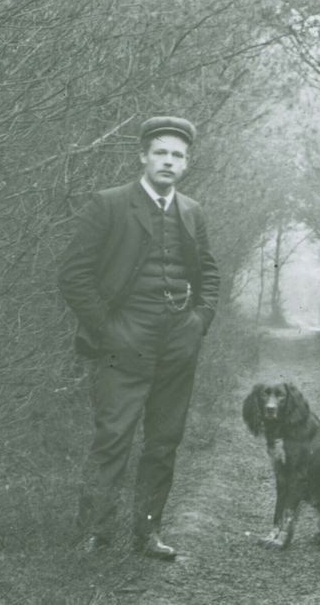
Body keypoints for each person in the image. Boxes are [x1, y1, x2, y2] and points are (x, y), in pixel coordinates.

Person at [57, 116, 220, 560]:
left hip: (177, 342)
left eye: (178, 155)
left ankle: (147, 534)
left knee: (164, 440)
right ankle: (94, 534)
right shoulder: (108, 204)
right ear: (143, 156)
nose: (169, 161)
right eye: (161, 152)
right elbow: (73, 275)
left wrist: (199, 321)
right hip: (122, 340)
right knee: (112, 438)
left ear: (186, 164)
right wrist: (108, 330)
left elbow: (207, 271)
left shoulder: (191, 210)